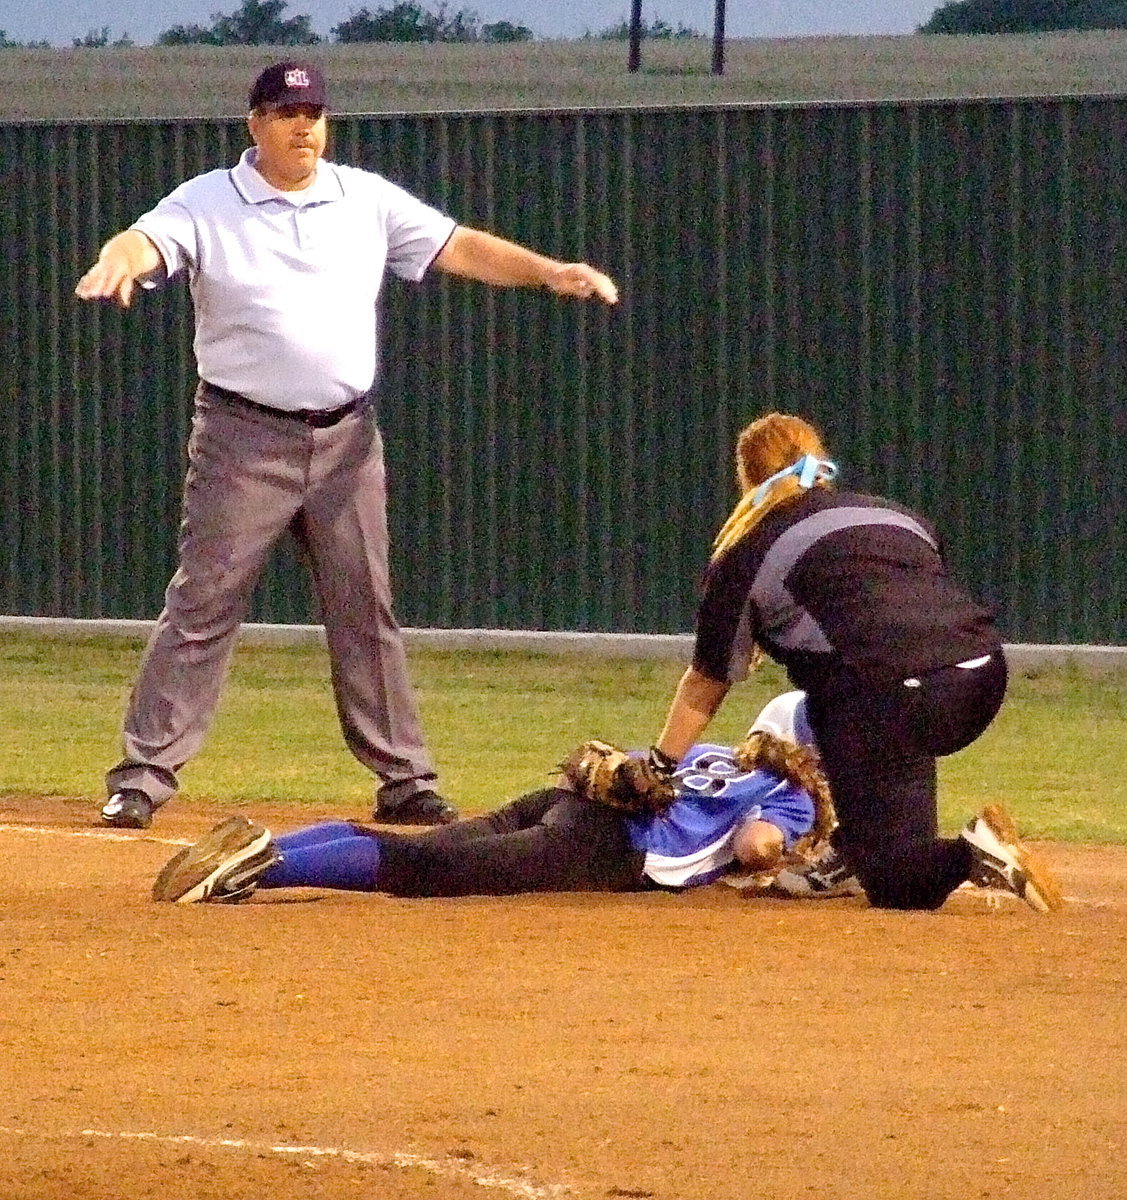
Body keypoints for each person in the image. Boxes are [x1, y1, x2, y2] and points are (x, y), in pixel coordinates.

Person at [74, 61, 618, 832]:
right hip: (242, 436)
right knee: (202, 604)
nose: (304, 126)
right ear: (254, 123)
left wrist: (547, 272)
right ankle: (142, 777)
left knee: (366, 610)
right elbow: (145, 241)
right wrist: (118, 260)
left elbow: (458, 246)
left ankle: (404, 780)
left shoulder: (362, 199)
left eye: (315, 113)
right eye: (287, 112)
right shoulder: (207, 201)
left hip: (346, 439)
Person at [632, 412, 1063, 913]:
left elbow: (706, 682)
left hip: (897, 696)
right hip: (983, 675)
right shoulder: (896, 516)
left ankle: (971, 854)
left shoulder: (747, 553)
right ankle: (853, 848)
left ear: (747, 479)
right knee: (841, 695)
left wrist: (661, 766)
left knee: (899, 885)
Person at [150, 694, 825, 903]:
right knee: (425, 873)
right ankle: (266, 867)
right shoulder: (789, 794)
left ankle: (267, 843)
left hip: (559, 804)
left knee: (421, 850)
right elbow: (754, 844)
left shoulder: (710, 754)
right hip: (600, 848)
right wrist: (782, 855)